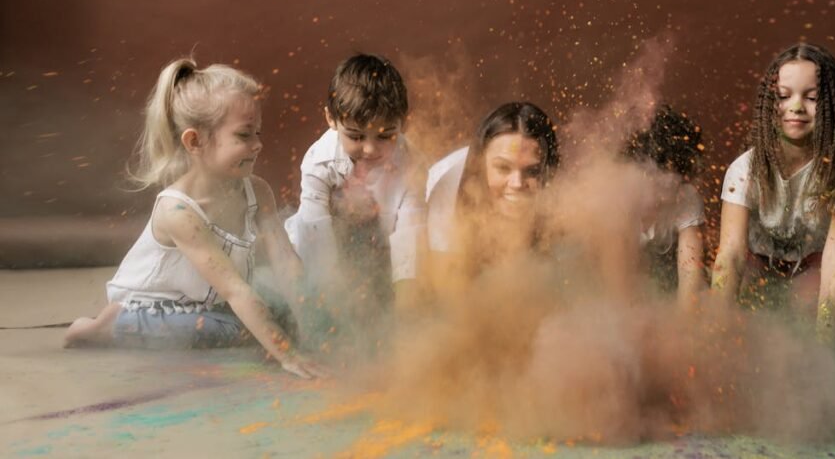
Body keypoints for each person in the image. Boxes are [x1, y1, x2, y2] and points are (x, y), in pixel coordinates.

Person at [64, 58, 327, 378]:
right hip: (155, 306)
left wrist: (316, 317)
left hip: (209, 302)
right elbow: (235, 290)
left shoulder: (257, 191)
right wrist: (288, 354)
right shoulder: (179, 211)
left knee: (280, 314)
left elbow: (287, 263)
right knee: (239, 331)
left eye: (257, 132)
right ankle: (108, 326)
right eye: (244, 135)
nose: (258, 144)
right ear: (195, 141)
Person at [712, 43, 835, 342]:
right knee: (745, 323)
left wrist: (824, 347)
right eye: (784, 96)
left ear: (832, 108)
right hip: (757, 264)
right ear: (769, 103)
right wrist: (715, 335)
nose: (796, 106)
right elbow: (730, 255)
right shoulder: (744, 170)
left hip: (814, 267)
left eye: (811, 98)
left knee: (824, 324)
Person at [284, 54, 425, 339]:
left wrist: (407, 313)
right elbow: (315, 237)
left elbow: (409, 236)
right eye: (357, 137)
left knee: (407, 308)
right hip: (325, 246)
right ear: (331, 120)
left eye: (385, 136)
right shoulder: (319, 163)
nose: (370, 150)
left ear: (404, 124)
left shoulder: (413, 163)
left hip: (382, 252)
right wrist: (333, 309)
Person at [425, 102, 560, 290]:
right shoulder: (446, 188)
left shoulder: (562, 192)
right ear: (479, 164)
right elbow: (449, 297)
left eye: (532, 171)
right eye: (503, 168)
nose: (517, 183)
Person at [621, 104, 706, 305]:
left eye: (674, 172)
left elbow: (690, 273)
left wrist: (682, 330)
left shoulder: (686, 198)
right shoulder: (617, 202)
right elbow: (617, 283)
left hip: (663, 284)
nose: (666, 181)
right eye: (654, 172)